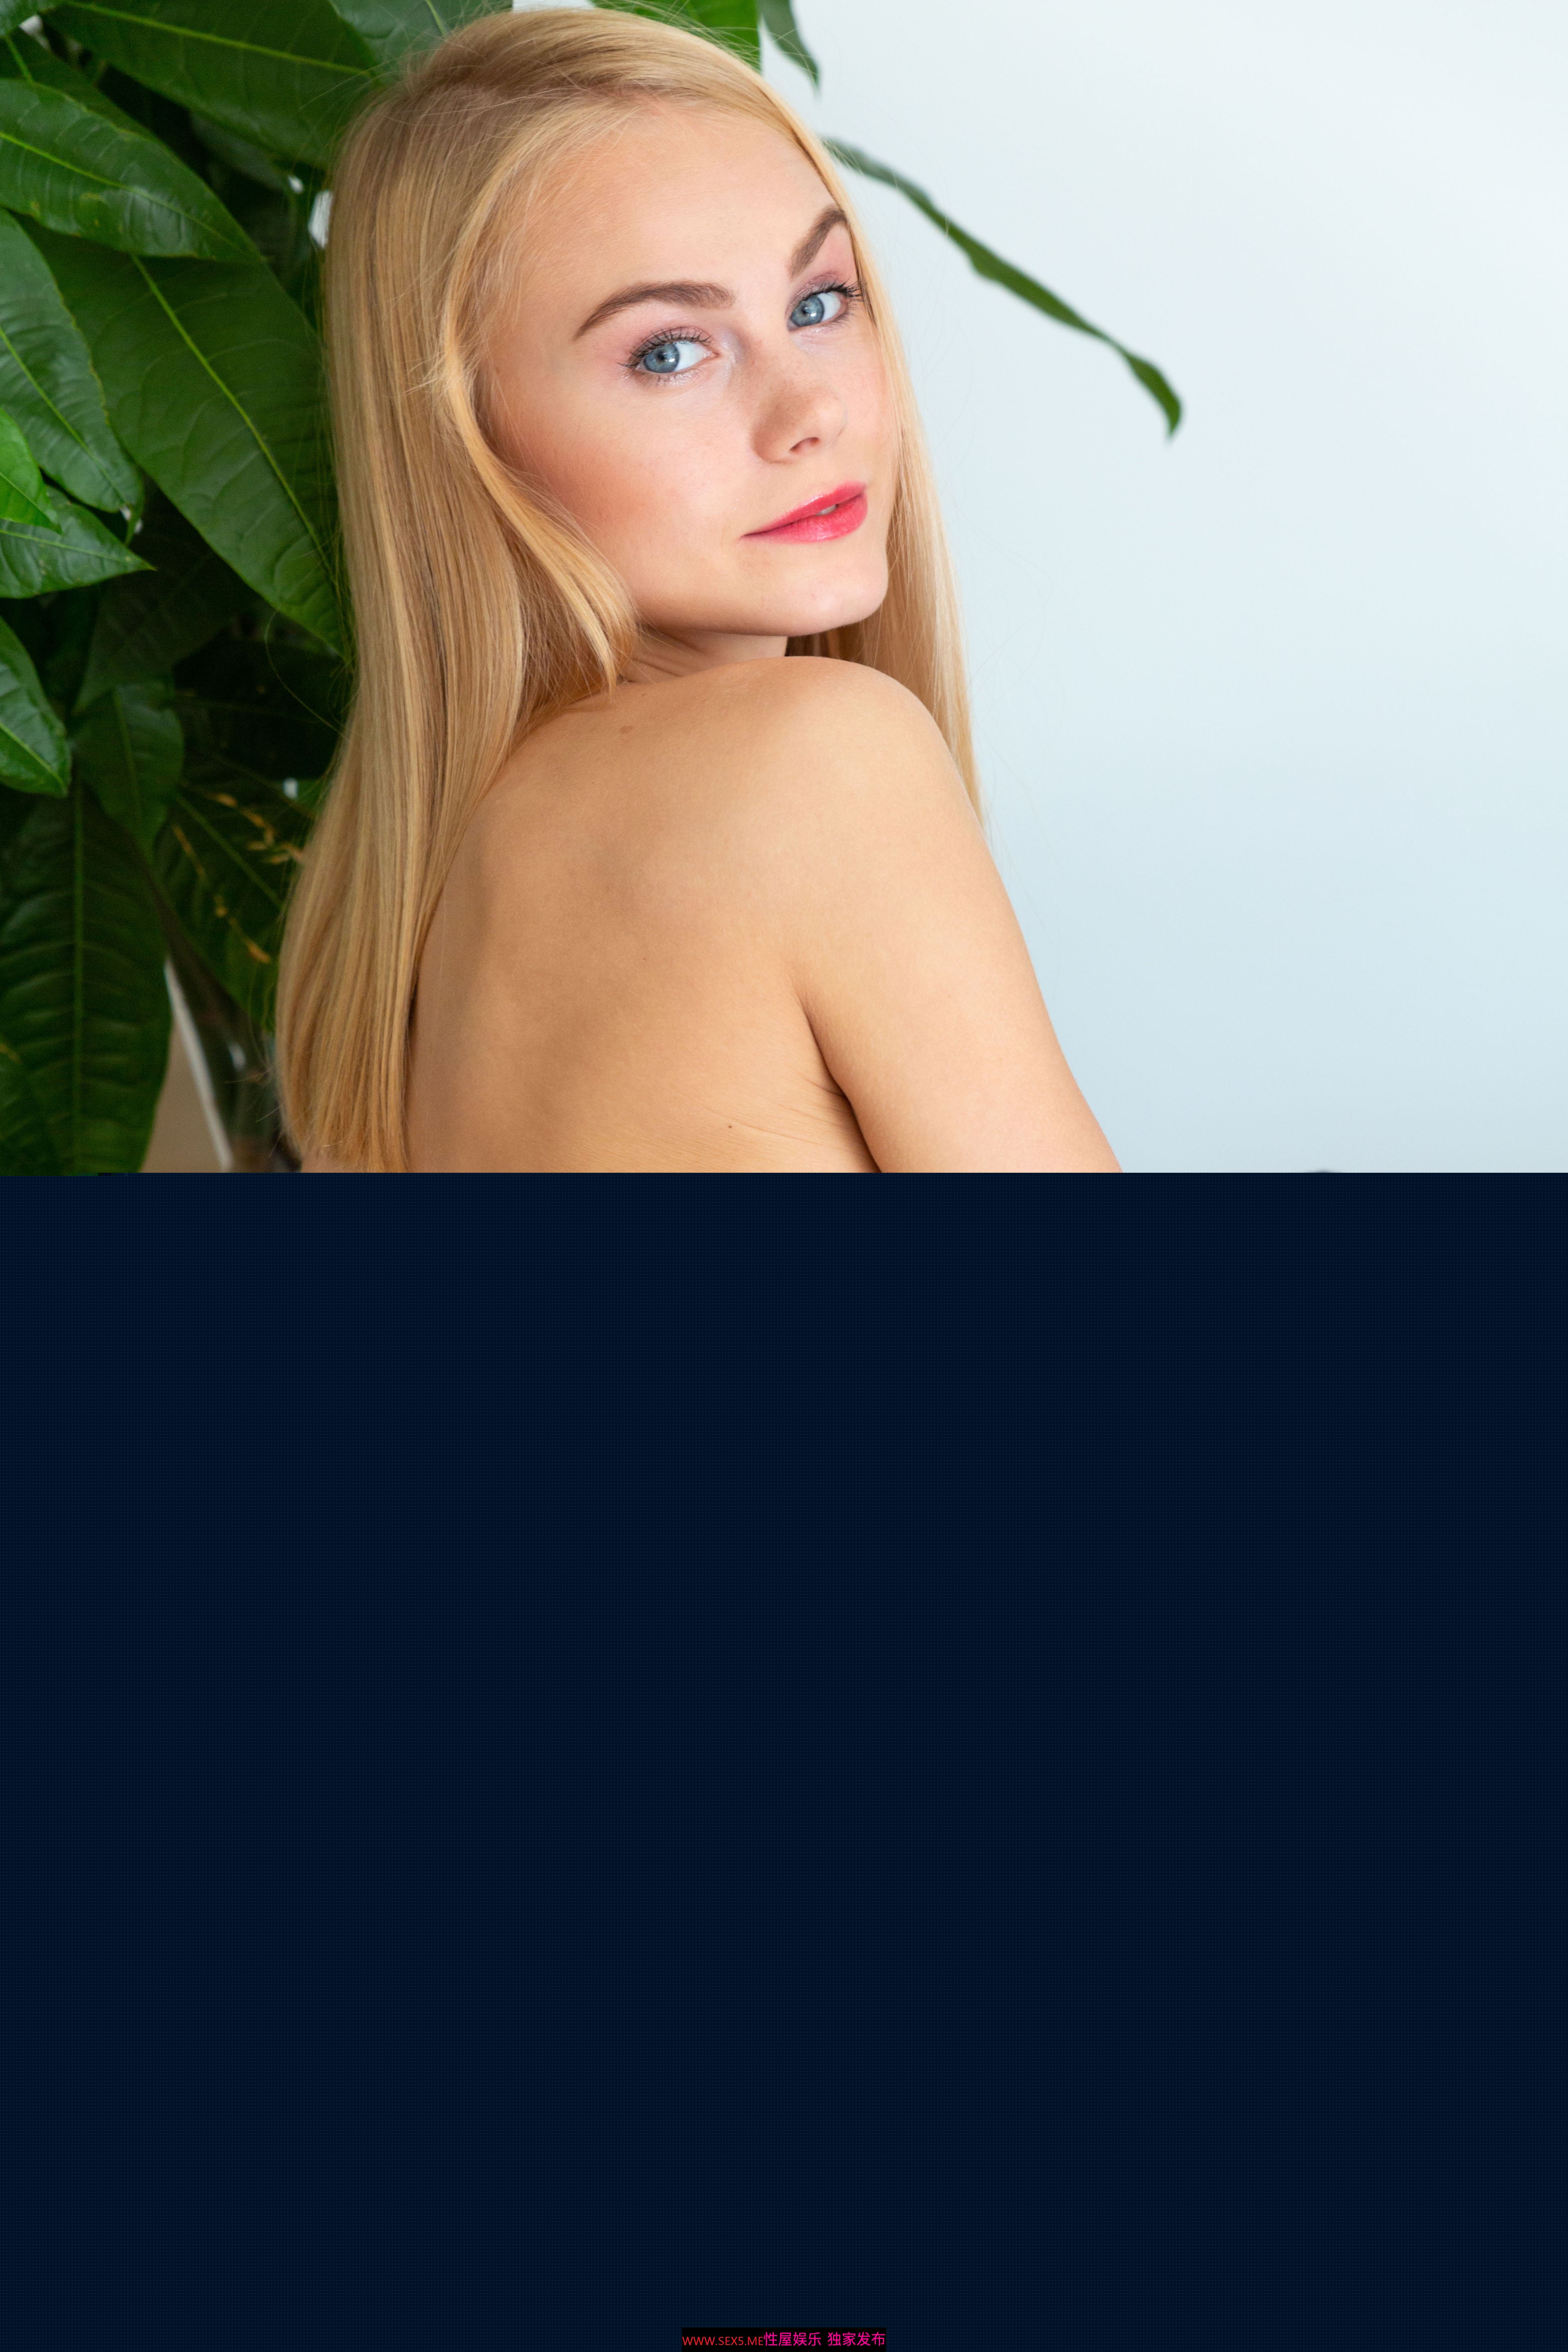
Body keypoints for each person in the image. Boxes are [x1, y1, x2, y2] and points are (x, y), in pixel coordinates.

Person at [276, 8, 1118, 1174]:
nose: (811, 409)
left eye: (819, 302)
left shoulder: (420, 900)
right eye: (669, 351)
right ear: (470, 438)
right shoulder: (813, 763)